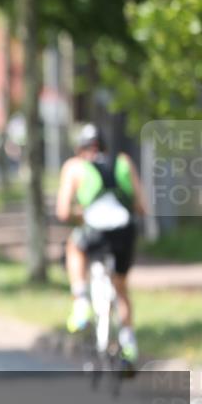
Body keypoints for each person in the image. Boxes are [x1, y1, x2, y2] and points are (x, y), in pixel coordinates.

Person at [56, 123, 147, 370]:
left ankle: (81, 302)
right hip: (124, 230)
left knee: (74, 246)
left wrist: (80, 213)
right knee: (122, 287)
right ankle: (129, 344)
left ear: (79, 148)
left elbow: (62, 212)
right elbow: (141, 206)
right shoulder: (123, 161)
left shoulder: (74, 167)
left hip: (95, 230)